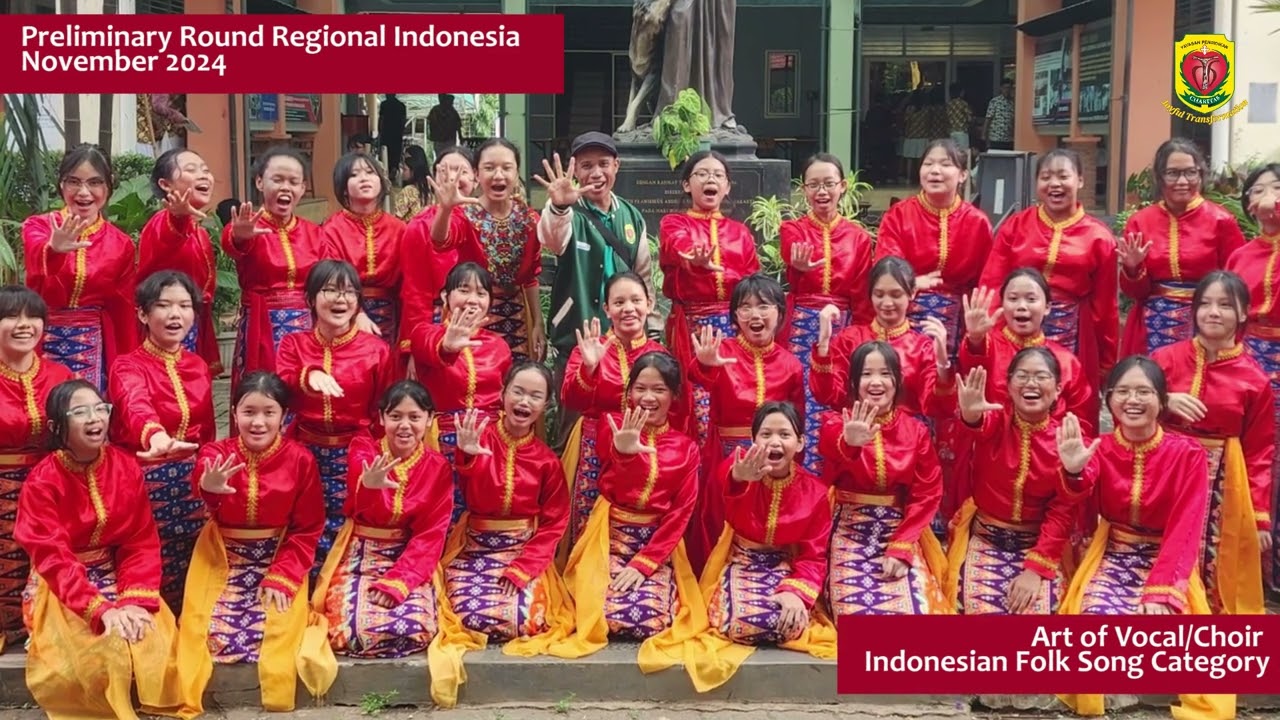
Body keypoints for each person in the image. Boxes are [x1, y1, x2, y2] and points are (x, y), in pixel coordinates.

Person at [1056, 356, 1233, 720]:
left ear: (1162, 400)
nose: (1132, 400)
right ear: (1108, 400)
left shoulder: (1187, 454)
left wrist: (1162, 590)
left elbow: (1187, 527)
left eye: (1143, 392)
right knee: (1092, 622)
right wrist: (1072, 471)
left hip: (1170, 559)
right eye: (1122, 391)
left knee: (1178, 632)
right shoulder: (1100, 447)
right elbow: (1080, 494)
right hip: (1114, 551)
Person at [16, 379, 183, 719]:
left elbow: (140, 539)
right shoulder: (42, 481)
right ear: (56, 426)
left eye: (99, 409)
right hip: (61, 584)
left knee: (152, 636)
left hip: (115, 571)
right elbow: (52, 557)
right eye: (80, 412)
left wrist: (134, 600)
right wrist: (100, 609)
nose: (94, 419)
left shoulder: (124, 466)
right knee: (98, 649)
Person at [175, 371, 328, 714]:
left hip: (277, 556)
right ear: (234, 414)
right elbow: (203, 485)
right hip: (220, 558)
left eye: (268, 412)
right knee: (208, 635)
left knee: (275, 635)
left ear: (283, 417)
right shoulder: (216, 453)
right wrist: (209, 490)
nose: (258, 422)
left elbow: (308, 528)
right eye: (249, 412)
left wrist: (284, 575)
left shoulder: (300, 459)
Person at [431, 363, 573, 708]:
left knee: (528, 620)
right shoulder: (478, 439)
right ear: (502, 393)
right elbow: (468, 489)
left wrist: (525, 567)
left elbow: (555, 522)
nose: (524, 401)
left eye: (535, 395)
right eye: (518, 391)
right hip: (475, 548)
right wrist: (466, 455)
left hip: (522, 551)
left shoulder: (546, 461)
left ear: (545, 406)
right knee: (466, 616)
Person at [550, 353, 703, 664]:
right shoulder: (613, 429)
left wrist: (644, 564)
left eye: (659, 390)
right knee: (596, 612)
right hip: (609, 540)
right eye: (640, 388)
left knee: (649, 619)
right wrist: (625, 454)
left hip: (656, 547)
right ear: (629, 392)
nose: (647, 397)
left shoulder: (686, 447)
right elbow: (615, 485)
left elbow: (680, 512)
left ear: (674, 396)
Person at [684, 402, 836, 692]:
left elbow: (813, 554)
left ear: (801, 441)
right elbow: (718, 499)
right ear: (753, 439)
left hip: (784, 566)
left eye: (784, 434)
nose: (775, 441)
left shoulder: (815, 492)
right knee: (742, 624)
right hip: (740, 561)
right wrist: (739, 480)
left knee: (790, 622)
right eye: (765, 434)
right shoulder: (739, 469)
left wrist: (796, 593)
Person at [1153, 271, 1274, 615]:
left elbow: (1260, 449)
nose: (1213, 312)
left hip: (1222, 479)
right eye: (1204, 303)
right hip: (1165, 468)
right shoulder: (1165, 359)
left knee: (1210, 560)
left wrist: (1260, 517)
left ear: (1243, 313)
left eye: (1224, 304)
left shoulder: (1254, 379)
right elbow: (1125, 405)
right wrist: (1163, 401)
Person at [310, 381, 453, 665]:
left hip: (408, 556)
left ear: (429, 420)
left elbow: (430, 534)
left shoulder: (437, 466)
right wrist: (370, 486)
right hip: (360, 553)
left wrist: (399, 581)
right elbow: (357, 501)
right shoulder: (364, 449)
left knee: (417, 629)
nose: (404, 425)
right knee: (347, 632)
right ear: (381, 418)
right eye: (396, 416)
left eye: (414, 417)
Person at [536, 133, 661, 446]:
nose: (596, 173)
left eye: (604, 164)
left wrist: (651, 327)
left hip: (626, 346)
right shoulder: (569, 213)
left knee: (625, 425)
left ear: (616, 166)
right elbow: (551, 238)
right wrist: (559, 206)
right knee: (572, 429)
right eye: (587, 165)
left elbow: (644, 274)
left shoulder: (631, 216)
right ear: (575, 171)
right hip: (578, 341)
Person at [944, 355, 1091, 615]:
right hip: (985, 537)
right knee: (969, 608)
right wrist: (970, 414)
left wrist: (1036, 570)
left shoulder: (1068, 440)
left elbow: (1063, 511)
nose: (1030, 383)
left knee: (1043, 612)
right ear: (1009, 386)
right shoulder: (996, 422)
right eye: (1022, 376)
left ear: (1058, 388)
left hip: (1040, 544)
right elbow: (977, 427)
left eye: (1041, 377)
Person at [275, 261, 396, 570]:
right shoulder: (293, 344)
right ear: (311, 298)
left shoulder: (377, 350)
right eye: (330, 290)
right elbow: (284, 379)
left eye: (349, 292)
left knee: (351, 528)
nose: (341, 299)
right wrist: (308, 376)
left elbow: (383, 408)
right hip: (305, 449)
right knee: (301, 523)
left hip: (354, 452)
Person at [108, 271, 217, 612]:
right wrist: (155, 435)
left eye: (185, 306)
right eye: (164, 305)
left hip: (193, 481)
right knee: (149, 562)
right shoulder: (126, 366)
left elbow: (208, 431)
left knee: (196, 561)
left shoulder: (198, 365)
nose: (175, 315)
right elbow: (133, 403)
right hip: (144, 479)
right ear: (142, 314)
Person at [686, 274, 804, 572]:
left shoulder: (790, 363)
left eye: (763, 306)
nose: (755, 314)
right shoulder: (721, 351)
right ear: (735, 316)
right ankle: (715, 580)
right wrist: (704, 364)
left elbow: (796, 421)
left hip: (774, 458)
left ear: (779, 312)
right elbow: (696, 378)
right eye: (745, 307)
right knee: (719, 521)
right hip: (727, 453)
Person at [820, 342, 948, 616]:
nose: (876, 382)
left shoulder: (916, 431)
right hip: (849, 530)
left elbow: (927, 491)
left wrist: (902, 547)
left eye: (885, 374)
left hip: (899, 530)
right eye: (866, 374)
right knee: (859, 619)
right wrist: (850, 443)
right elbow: (830, 447)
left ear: (897, 381)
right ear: (854, 382)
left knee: (918, 616)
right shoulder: (836, 421)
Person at [980, 148, 1119, 397]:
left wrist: (1106, 361)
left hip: (1073, 328)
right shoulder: (1015, 226)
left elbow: (1105, 305)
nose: (1054, 184)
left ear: (1080, 179)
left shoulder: (1099, 236)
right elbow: (993, 282)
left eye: (1063, 176)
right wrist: (992, 332)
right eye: (1046, 177)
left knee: (1068, 399)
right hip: (1016, 325)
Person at [779, 153, 874, 475]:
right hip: (803, 328)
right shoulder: (792, 229)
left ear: (843, 187)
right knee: (803, 400)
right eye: (813, 184)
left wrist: (860, 337)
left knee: (839, 398)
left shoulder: (858, 238)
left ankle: (836, 476)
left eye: (829, 184)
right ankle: (799, 476)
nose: (822, 192)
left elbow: (861, 294)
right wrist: (799, 268)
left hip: (842, 329)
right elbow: (792, 273)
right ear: (803, 190)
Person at [559, 271, 670, 545]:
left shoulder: (660, 355)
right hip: (593, 445)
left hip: (644, 448)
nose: (628, 308)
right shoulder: (589, 349)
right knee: (585, 524)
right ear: (607, 309)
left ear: (649, 304)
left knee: (632, 526)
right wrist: (589, 368)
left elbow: (674, 412)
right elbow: (570, 401)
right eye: (619, 302)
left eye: (636, 300)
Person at [660, 150, 761, 441]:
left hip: (734, 329)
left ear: (727, 187)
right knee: (697, 407)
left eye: (718, 175)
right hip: (694, 328)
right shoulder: (674, 223)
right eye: (701, 174)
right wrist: (695, 260)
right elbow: (677, 247)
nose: (710, 179)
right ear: (686, 185)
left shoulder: (739, 232)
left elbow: (753, 281)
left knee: (733, 400)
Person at [22, 143, 138, 392]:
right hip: (41, 338)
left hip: (94, 342)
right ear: (61, 185)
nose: (84, 192)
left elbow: (124, 310)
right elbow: (36, 262)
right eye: (74, 181)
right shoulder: (40, 226)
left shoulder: (121, 244)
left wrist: (127, 368)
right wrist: (54, 250)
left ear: (108, 187)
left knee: (87, 413)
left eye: (95, 182)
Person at [406, 262, 514, 524]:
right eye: (464, 290)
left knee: (482, 510)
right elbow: (433, 351)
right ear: (445, 296)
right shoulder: (425, 333)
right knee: (440, 513)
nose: (473, 300)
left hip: (488, 439)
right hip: (441, 439)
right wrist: (448, 346)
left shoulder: (499, 346)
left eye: (481, 293)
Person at [222, 147, 329, 403]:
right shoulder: (248, 227)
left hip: (307, 326)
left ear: (303, 188)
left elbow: (327, 278)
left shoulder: (315, 233)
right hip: (261, 326)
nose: (286, 187)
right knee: (263, 391)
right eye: (277, 179)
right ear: (260, 182)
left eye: (294, 182)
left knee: (304, 390)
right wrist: (239, 235)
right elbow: (233, 243)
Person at [1119, 138, 1246, 356]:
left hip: (1205, 320)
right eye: (1173, 173)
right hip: (1152, 322)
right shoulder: (1140, 221)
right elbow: (1135, 293)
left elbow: (1236, 282)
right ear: (1160, 177)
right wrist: (1133, 269)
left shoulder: (1221, 220)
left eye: (1190, 172)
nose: (1182, 181)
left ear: (1200, 174)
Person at [427, 138, 547, 363]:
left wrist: (539, 322)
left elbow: (531, 276)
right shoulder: (464, 214)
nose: (498, 175)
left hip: (519, 315)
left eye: (506, 168)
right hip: (472, 313)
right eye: (489, 168)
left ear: (516, 171)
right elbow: (440, 241)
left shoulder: (529, 218)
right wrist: (445, 209)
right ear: (476, 173)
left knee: (517, 384)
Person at [874, 139, 993, 363]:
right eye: (928, 164)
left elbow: (988, 281)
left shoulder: (977, 222)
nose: (935, 171)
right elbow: (885, 268)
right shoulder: (899, 215)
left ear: (963, 175)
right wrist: (912, 283)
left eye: (945, 164)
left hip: (959, 320)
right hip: (904, 312)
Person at [0, 286, 72, 651]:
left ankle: (45, 624)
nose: (24, 325)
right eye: (12, 317)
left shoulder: (60, 375)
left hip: (50, 484)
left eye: (33, 317)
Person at [810, 257, 954, 419]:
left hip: (905, 439)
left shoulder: (921, 347)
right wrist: (823, 344)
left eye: (895, 294)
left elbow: (937, 407)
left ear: (912, 293)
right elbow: (827, 395)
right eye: (879, 295)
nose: (887, 302)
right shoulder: (850, 339)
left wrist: (942, 362)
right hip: (854, 434)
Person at [1227, 162, 1280, 588]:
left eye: (1276, 188)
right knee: (1250, 453)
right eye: (1258, 191)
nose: (1267, 198)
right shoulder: (1241, 256)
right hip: (1249, 357)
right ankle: (1251, 561)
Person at [959, 269, 1095, 433]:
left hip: (1051, 452)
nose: (1022, 306)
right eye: (1013, 299)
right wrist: (974, 337)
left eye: (1031, 299)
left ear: (1047, 307)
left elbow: (1082, 420)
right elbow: (970, 366)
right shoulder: (987, 345)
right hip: (995, 448)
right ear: (1002, 304)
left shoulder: (1066, 361)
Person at [138, 147, 223, 374]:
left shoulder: (199, 230)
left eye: (205, 170)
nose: (204, 175)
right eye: (191, 170)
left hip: (192, 321)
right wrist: (178, 215)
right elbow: (171, 234)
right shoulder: (162, 222)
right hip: (166, 323)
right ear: (166, 185)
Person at [322, 151, 407, 342]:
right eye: (354, 175)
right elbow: (331, 279)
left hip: (392, 315)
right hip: (343, 313)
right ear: (344, 188)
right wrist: (357, 312)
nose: (364, 179)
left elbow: (408, 282)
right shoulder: (331, 229)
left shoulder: (399, 229)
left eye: (370, 172)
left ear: (381, 181)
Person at [398, 146, 476, 347]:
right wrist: (414, 344)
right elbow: (414, 291)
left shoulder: (485, 220)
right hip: (435, 326)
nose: (453, 178)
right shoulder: (420, 225)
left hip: (482, 318)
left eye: (462, 171)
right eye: (445, 171)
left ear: (476, 179)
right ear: (433, 177)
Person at [394, 145, 431, 222]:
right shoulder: (430, 189)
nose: (403, 163)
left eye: (404, 169)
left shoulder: (408, 191)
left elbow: (396, 219)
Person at [378, 94, 407, 178]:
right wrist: (401, 132)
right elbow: (403, 121)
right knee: (395, 153)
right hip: (396, 134)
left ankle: (387, 171)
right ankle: (394, 169)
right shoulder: (401, 106)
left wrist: (380, 131)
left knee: (385, 152)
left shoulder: (384, 105)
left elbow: (381, 119)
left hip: (386, 133)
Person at [427, 94, 462, 159]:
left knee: (447, 157)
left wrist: (460, 137)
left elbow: (458, 126)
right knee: (442, 158)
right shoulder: (435, 110)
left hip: (448, 140)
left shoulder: (452, 111)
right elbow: (430, 124)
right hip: (440, 140)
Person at [983, 79, 1014, 151]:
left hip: (1008, 139)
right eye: (1005, 88)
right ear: (1001, 88)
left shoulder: (1012, 103)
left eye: (1009, 88)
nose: (1007, 90)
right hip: (995, 138)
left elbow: (1013, 121)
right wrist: (984, 135)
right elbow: (988, 119)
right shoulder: (995, 101)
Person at [946, 84, 973, 149]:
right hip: (962, 131)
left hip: (952, 131)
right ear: (961, 92)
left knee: (953, 152)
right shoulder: (963, 103)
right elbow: (969, 119)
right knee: (963, 152)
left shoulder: (949, 104)